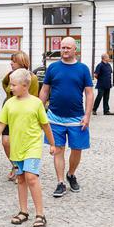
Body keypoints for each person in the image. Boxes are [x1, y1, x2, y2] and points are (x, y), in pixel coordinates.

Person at [0, 68, 56, 227]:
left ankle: (40, 214)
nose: (10, 88)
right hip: (16, 148)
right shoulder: (9, 103)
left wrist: (52, 144)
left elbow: (45, 125)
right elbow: (1, 123)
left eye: (13, 85)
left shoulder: (36, 103)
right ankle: (23, 211)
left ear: (25, 85)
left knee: (31, 177)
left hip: (32, 146)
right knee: (21, 179)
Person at [38, 37, 94, 198]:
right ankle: (61, 182)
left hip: (77, 118)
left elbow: (89, 93)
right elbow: (44, 90)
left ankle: (71, 174)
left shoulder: (83, 69)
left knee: (77, 149)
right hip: (55, 117)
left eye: (68, 48)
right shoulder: (53, 68)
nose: (65, 50)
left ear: (75, 49)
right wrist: (39, 110)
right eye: (62, 47)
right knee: (58, 150)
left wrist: (87, 115)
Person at [1, 51, 39, 181]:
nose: (11, 63)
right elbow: (4, 83)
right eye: (11, 61)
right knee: (6, 141)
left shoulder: (31, 78)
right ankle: (16, 166)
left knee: (21, 143)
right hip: (9, 110)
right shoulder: (10, 76)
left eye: (14, 61)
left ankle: (21, 170)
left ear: (22, 63)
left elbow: (33, 98)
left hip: (23, 115)